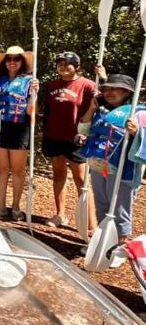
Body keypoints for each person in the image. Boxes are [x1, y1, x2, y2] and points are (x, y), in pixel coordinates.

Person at [78, 73, 142, 249]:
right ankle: (103, 240)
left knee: (120, 207)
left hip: (122, 168)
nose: (109, 92)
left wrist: (137, 132)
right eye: (107, 89)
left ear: (127, 92)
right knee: (101, 203)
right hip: (98, 164)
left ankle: (119, 244)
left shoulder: (138, 112)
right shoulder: (100, 110)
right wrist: (91, 109)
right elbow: (84, 129)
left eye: (115, 89)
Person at [41, 52, 96, 228]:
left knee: (81, 180)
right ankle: (60, 215)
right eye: (60, 64)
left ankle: (91, 224)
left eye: (68, 64)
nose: (63, 67)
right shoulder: (52, 85)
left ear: (77, 67)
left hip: (76, 138)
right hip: (54, 136)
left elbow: (96, 109)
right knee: (58, 174)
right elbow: (47, 109)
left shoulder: (87, 85)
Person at [0, 46, 39, 220]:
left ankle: (15, 207)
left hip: (19, 129)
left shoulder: (30, 82)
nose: (13, 62)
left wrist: (34, 94)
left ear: (22, 62)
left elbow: (31, 111)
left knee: (17, 169)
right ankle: (1, 206)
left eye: (17, 59)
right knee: (1, 169)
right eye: (9, 59)